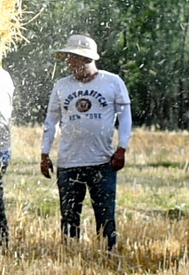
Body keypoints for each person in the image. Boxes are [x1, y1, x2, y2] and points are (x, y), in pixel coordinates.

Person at [37, 33, 131, 249]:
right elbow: (51, 121)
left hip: (102, 162)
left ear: (89, 59)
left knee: (106, 214)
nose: (72, 64)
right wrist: (44, 153)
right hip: (69, 163)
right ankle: (70, 254)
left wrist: (122, 148)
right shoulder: (61, 85)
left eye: (76, 59)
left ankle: (109, 253)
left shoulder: (112, 82)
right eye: (70, 59)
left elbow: (125, 117)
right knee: (69, 215)